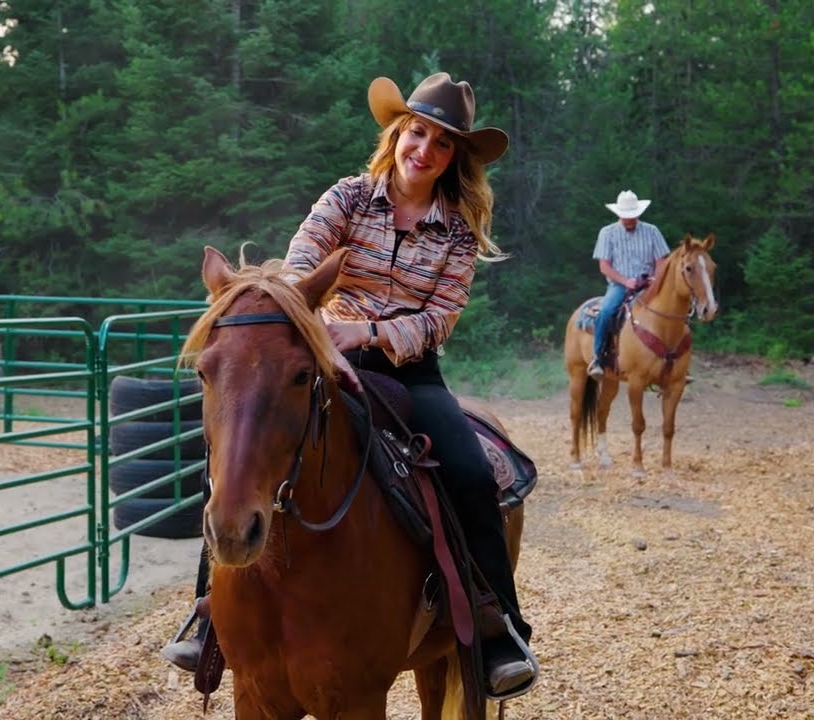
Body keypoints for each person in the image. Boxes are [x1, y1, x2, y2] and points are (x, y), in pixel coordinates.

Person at [161, 71, 537, 698]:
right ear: (397, 133)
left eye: (443, 145)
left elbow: (440, 316)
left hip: (406, 369)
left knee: (471, 473)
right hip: (319, 357)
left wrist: (366, 332)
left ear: (454, 160)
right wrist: (311, 318)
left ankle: (497, 622)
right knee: (241, 445)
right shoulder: (347, 198)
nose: (426, 151)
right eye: (418, 133)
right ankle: (210, 613)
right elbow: (301, 264)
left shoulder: (458, 231)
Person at [588, 190, 670, 378]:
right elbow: (604, 266)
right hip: (620, 285)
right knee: (606, 312)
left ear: (638, 214)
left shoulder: (652, 231)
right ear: (618, 214)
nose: (629, 219)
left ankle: (674, 360)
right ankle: (598, 357)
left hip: (649, 285)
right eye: (626, 216)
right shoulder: (607, 233)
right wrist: (625, 280)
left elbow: (661, 262)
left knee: (670, 312)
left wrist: (655, 280)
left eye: (632, 216)